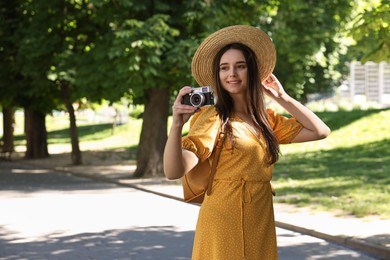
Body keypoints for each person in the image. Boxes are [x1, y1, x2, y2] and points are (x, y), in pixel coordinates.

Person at [163, 25, 330, 260]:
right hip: (223, 219)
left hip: (259, 218)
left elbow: (320, 131)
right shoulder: (213, 117)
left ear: (251, 71)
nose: (232, 73)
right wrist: (176, 125)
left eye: (240, 66)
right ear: (217, 75)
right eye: (224, 68)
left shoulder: (265, 120)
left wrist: (282, 97)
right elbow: (173, 171)